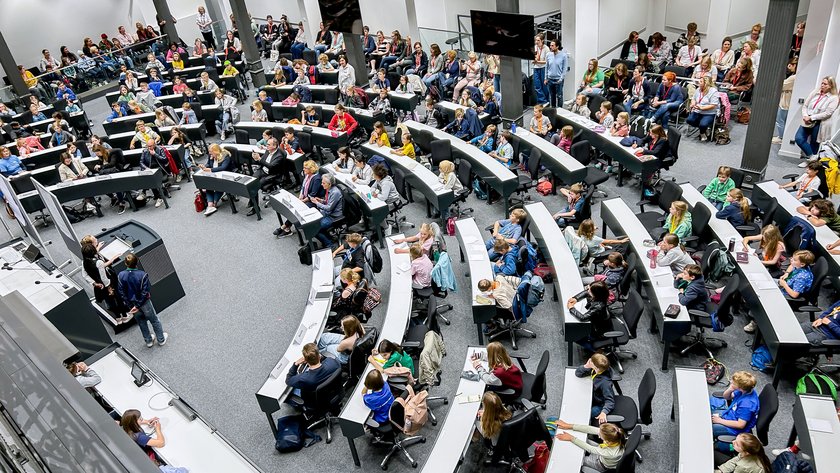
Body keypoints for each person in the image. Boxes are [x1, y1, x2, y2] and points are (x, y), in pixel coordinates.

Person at [118, 253, 167, 347]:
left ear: (125, 263)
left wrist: (131, 306)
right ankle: (161, 339)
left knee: (141, 322)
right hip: (144, 303)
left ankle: (148, 341)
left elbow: (122, 293)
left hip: (132, 305)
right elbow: (145, 292)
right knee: (154, 320)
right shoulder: (143, 275)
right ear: (137, 262)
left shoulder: (121, 275)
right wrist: (138, 305)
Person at [554, 420, 625, 472]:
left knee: (578, 458)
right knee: (584, 440)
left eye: (600, 436)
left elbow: (590, 449)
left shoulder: (611, 453)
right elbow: (589, 429)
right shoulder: (615, 436)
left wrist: (571, 438)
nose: (599, 436)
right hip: (602, 450)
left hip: (600, 464)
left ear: (608, 441)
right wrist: (569, 426)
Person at [795, 76, 838, 160]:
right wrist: (805, 116)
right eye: (822, 83)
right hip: (807, 120)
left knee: (814, 143)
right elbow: (805, 105)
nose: (822, 85)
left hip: (819, 123)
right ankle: (811, 158)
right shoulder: (815, 92)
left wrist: (811, 117)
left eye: (825, 84)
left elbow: (828, 113)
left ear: (831, 86)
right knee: (799, 138)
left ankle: (811, 163)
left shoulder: (834, 98)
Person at [710, 371, 760, 440]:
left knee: (708, 428)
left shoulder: (747, 405)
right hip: (730, 414)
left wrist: (720, 421)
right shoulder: (745, 390)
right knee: (708, 411)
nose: (730, 381)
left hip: (733, 429)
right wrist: (730, 389)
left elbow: (740, 425)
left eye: (733, 383)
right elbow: (727, 397)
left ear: (740, 388)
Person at [568, 281, 613, 347]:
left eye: (589, 290)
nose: (587, 290)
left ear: (595, 294)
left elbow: (583, 318)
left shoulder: (598, 306)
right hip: (602, 323)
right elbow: (586, 292)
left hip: (598, 331)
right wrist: (576, 298)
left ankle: (594, 349)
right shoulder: (601, 296)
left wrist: (571, 308)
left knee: (574, 335)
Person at [576, 354, 614, 423]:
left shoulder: (605, 383)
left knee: (583, 416)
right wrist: (586, 366)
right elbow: (578, 374)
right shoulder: (595, 369)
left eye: (591, 361)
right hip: (593, 394)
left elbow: (610, 401)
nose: (589, 361)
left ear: (597, 368)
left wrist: (604, 412)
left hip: (600, 404)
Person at [312, 174, 343, 248]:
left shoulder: (335, 192)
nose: (321, 184)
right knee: (312, 223)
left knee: (314, 229)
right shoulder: (329, 190)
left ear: (329, 184)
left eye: (323, 183)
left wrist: (317, 203)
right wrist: (321, 201)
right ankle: (329, 238)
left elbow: (329, 208)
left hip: (333, 217)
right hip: (328, 213)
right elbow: (328, 202)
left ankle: (330, 245)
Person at [685, 76, 720, 141]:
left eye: (701, 81)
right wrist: (693, 103)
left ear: (706, 83)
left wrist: (702, 108)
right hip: (698, 110)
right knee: (689, 120)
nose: (699, 82)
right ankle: (704, 128)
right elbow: (694, 99)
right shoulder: (698, 89)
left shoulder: (713, 91)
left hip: (709, 112)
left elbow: (713, 105)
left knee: (703, 124)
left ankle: (702, 132)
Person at [773, 58, 798, 144]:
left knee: (780, 120)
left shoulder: (793, 77)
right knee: (781, 120)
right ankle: (781, 136)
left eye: (790, 64)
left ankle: (781, 137)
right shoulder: (793, 76)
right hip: (786, 101)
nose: (788, 66)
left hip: (786, 102)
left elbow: (782, 86)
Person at [531, 35, 550, 104]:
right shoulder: (535, 47)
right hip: (536, 68)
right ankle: (542, 101)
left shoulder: (546, 49)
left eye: (538, 40)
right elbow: (534, 57)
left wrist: (537, 62)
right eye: (536, 40)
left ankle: (547, 101)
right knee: (537, 86)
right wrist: (534, 60)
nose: (536, 42)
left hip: (543, 68)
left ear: (542, 40)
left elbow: (546, 61)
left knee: (544, 86)